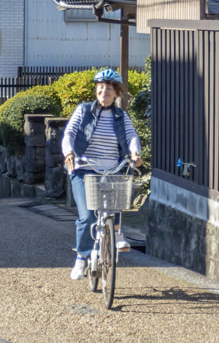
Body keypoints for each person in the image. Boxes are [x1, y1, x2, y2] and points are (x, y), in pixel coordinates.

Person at [61, 68, 142, 280]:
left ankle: (115, 233)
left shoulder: (120, 116)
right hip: (84, 169)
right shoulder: (84, 110)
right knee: (87, 216)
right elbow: (69, 132)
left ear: (116, 93)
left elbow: (132, 136)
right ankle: (81, 257)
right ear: (96, 90)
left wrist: (135, 153)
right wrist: (69, 152)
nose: (104, 91)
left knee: (114, 207)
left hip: (112, 169)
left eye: (108, 88)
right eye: (100, 87)